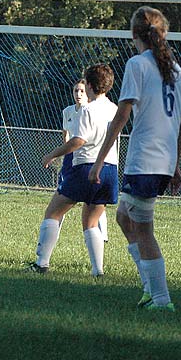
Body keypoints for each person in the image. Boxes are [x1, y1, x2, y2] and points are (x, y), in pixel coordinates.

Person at [89, 6, 181, 312]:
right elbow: (180, 124)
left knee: (143, 230)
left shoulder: (137, 64)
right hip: (161, 161)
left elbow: (122, 115)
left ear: (135, 34)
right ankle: (149, 288)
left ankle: (161, 299)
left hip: (145, 160)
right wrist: (175, 165)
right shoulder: (175, 71)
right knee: (124, 217)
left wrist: (99, 160)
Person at [26, 64, 118, 276]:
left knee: (53, 213)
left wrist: (52, 154)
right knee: (91, 222)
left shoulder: (88, 110)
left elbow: (78, 141)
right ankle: (98, 271)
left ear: (90, 85)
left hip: (86, 167)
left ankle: (41, 263)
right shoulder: (114, 109)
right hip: (109, 170)